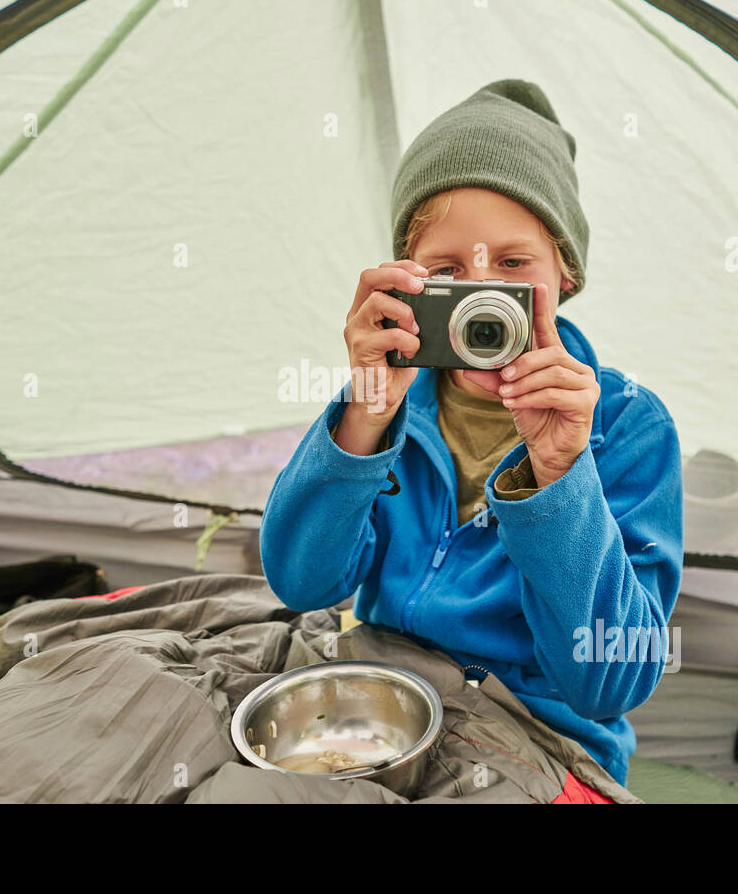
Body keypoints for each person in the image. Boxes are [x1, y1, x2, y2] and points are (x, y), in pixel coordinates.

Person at [258, 79, 683, 787]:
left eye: (513, 267)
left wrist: (559, 477)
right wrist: (365, 411)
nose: (481, 299)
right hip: (383, 705)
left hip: (540, 733)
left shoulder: (627, 426)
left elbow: (610, 684)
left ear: (565, 276)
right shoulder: (389, 394)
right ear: (405, 284)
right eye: (447, 273)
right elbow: (302, 582)